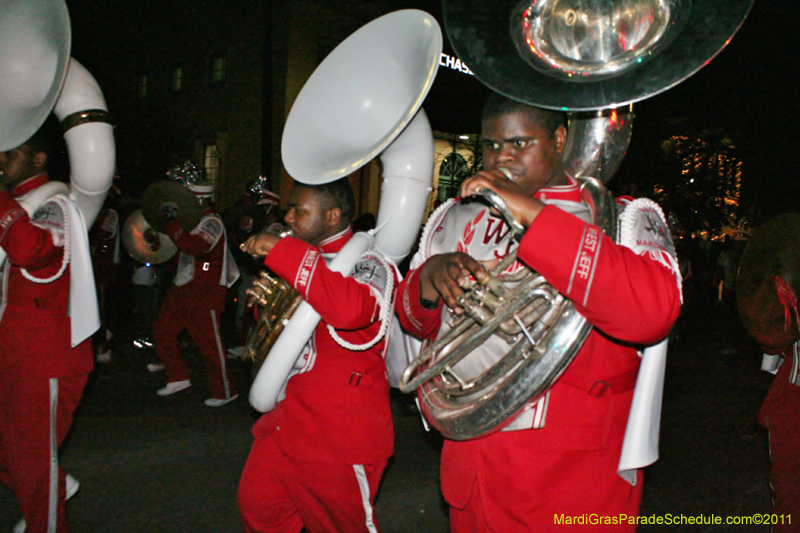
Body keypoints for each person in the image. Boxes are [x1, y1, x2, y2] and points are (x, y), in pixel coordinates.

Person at [394, 94, 682, 532]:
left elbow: (652, 312)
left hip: (568, 488)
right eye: (490, 146)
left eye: (519, 144)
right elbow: (414, 326)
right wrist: (430, 281)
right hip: (470, 472)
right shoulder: (453, 219)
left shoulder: (622, 218)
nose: (501, 157)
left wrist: (532, 214)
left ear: (560, 139)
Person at [237, 178, 398, 533]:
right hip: (286, 423)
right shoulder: (302, 256)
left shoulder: (372, 264)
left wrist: (282, 254)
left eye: (299, 210)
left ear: (333, 216)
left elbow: (350, 309)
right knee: (259, 508)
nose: (289, 217)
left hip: (338, 438)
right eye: (288, 209)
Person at [0, 129, 98, 532]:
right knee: (14, 453)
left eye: (12, 151)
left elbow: (30, 250)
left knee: (31, 456)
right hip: (16, 348)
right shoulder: (17, 205)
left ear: (39, 158)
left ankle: (47, 512)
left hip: (45, 353)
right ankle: (50, 487)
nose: (2, 157)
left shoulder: (58, 205)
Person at [149, 163, 240, 407]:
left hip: (206, 290)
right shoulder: (191, 221)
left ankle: (226, 390)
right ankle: (178, 376)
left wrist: (171, 225)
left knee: (210, 345)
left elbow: (195, 247)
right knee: (162, 330)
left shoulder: (212, 222)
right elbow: (181, 251)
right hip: (185, 287)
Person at [89, 181, 122, 362]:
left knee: (100, 309)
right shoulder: (101, 213)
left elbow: (102, 234)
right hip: (97, 268)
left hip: (103, 268)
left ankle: (104, 347)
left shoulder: (110, 215)